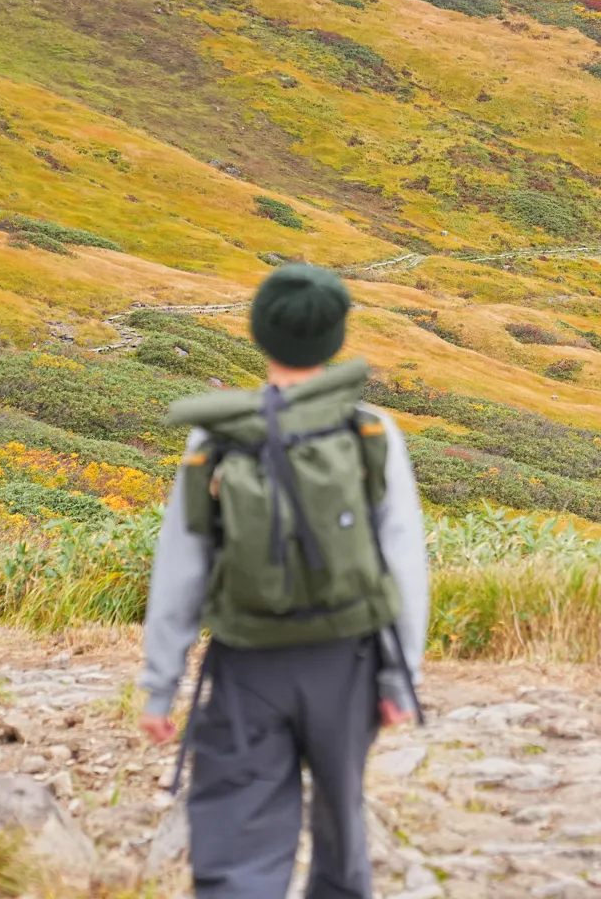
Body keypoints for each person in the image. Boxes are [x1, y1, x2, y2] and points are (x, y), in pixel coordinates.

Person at [137, 263, 429, 899]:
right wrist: (399, 675)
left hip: (248, 662)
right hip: (348, 659)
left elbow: (181, 569)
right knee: (340, 816)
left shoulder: (216, 435)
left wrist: (160, 685)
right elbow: (401, 559)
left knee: (240, 827)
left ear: (258, 333)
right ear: (335, 339)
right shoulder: (369, 431)